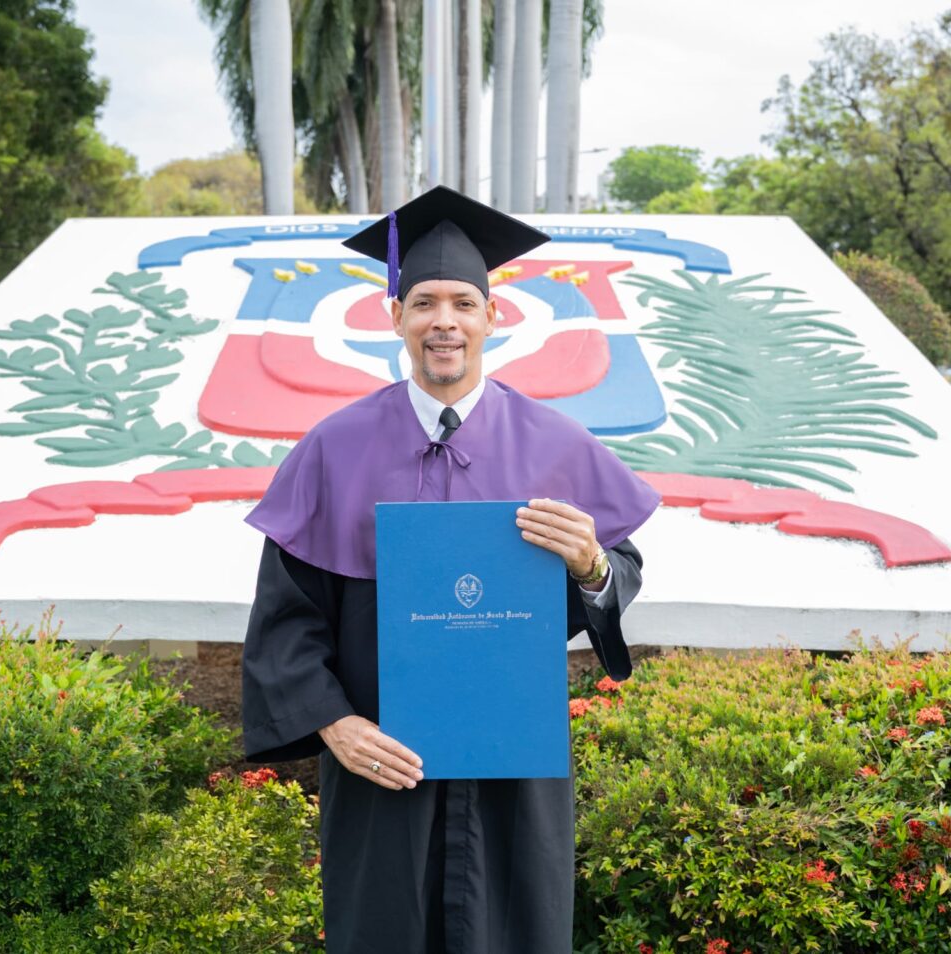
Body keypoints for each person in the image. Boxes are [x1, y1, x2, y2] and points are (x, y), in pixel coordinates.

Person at [241, 186, 660, 954]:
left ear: (492, 317)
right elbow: (286, 617)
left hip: (514, 773)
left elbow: (617, 571)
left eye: (464, 303)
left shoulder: (555, 445)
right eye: (424, 302)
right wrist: (335, 726)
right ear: (393, 316)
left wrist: (592, 563)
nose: (445, 321)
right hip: (382, 770)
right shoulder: (335, 448)